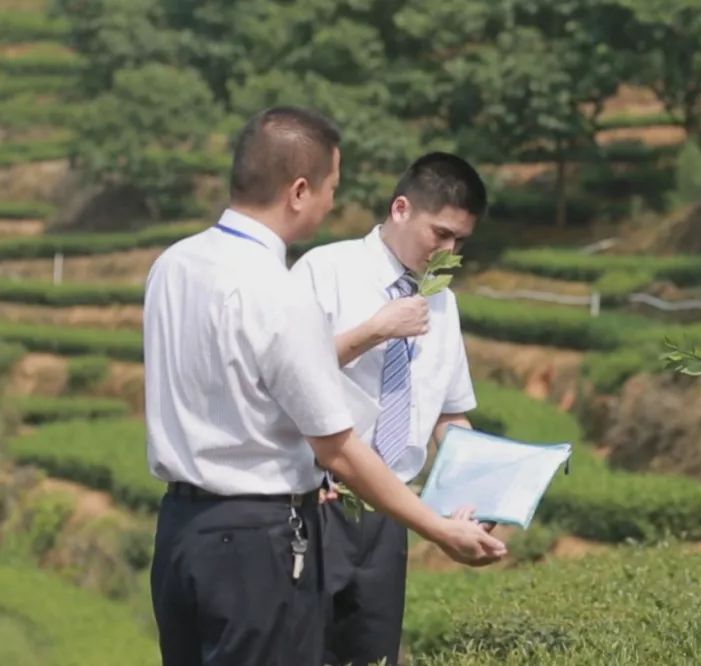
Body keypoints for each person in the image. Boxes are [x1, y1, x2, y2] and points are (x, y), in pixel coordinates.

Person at [145, 108, 505, 666]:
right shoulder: (285, 289)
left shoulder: (173, 264)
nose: (333, 204)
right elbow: (335, 446)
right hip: (263, 534)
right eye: (331, 188)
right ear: (299, 191)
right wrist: (437, 528)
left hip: (184, 528)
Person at [291, 151, 487, 666]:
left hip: (389, 513)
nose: (448, 251)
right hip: (318, 504)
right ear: (401, 208)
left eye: (460, 242)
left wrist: (477, 488)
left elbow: (449, 413)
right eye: (440, 234)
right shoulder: (325, 270)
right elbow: (284, 375)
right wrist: (373, 331)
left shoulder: (441, 300)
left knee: (373, 656)